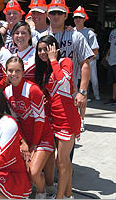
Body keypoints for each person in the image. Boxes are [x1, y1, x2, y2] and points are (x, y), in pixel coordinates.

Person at [34, 35, 81, 199]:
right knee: (63, 162)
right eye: (39, 49)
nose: (42, 52)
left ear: (54, 48)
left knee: (62, 162)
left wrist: (54, 60)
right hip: (54, 119)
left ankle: (60, 197)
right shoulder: (47, 69)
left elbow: (64, 82)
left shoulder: (64, 62)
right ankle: (68, 195)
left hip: (68, 119)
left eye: (45, 49)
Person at [4, 56, 55, 199]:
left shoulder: (33, 90)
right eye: (10, 70)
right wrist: (22, 141)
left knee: (33, 172)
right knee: (22, 169)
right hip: (26, 138)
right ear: (6, 71)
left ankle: (41, 193)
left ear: (23, 72)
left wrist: (33, 144)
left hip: (42, 137)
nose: (13, 74)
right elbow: (14, 121)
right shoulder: (7, 92)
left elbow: (39, 120)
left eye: (17, 71)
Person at [73, 6, 100, 132]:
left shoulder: (89, 33)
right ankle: (74, 119)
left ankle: (82, 120)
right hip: (72, 71)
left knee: (83, 94)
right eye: (76, 17)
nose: (77, 19)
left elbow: (95, 51)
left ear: (85, 19)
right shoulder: (71, 32)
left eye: (80, 17)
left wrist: (84, 62)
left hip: (84, 68)